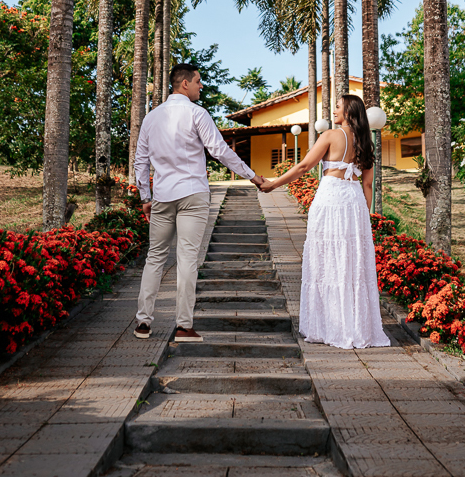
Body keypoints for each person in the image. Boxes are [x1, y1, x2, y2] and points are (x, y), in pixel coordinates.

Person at [133, 62, 265, 344]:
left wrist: (145, 197)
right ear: (184, 84)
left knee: (155, 258)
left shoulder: (151, 118)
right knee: (187, 259)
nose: (201, 86)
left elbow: (140, 161)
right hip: (192, 193)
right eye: (198, 82)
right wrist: (252, 176)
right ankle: (183, 327)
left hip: (163, 196)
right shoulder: (197, 113)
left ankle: (143, 323)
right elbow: (218, 150)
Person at [260, 94, 389, 350]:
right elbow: (367, 184)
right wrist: (364, 215)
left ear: (349, 112)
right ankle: (355, 326)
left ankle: (331, 325)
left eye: (338, 107)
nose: (334, 111)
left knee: (327, 259)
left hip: (331, 199)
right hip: (354, 203)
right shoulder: (366, 142)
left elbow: (304, 166)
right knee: (353, 262)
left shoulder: (330, 135)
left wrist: (274, 184)